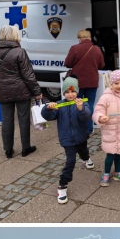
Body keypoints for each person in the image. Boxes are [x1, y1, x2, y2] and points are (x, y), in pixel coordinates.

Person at [0, 25, 41, 159]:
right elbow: (28, 75)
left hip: (3, 91)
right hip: (21, 90)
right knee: (23, 119)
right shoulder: (20, 51)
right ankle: (25, 148)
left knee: (7, 120)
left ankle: (8, 150)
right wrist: (37, 91)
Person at [42, 77, 94, 205]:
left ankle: (86, 159)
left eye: (73, 91)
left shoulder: (82, 102)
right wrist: (48, 108)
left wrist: (81, 108)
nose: (70, 95)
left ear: (77, 91)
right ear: (63, 93)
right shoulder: (59, 105)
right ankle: (62, 185)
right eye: (67, 92)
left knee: (83, 150)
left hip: (81, 136)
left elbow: (87, 116)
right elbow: (48, 117)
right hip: (67, 139)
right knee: (70, 161)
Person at [93, 69, 120, 187]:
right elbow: (98, 111)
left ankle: (118, 171)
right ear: (111, 84)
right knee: (110, 154)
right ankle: (106, 173)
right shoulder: (105, 97)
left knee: (119, 153)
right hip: (111, 131)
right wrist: (100, 117)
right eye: (116, 83)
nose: (119, 86)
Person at [64, 29, 106, 135]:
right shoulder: (96, 49)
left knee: (76, 103)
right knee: (89, 104)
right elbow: (101, 65)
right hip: (92, 81)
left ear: (79, 39)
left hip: (77, 82)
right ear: (90, 38)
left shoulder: (74, 48)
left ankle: (77, 127)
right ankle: (88, 129)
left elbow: (67, 63)